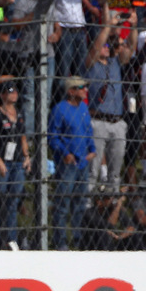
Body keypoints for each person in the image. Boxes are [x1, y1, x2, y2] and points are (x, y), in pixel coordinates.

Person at [85, 10, 132, 203]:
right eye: (104, 45)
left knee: (115, 169)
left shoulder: (115, 63)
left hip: (118, 121)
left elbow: (130, 49)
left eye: (108, 45)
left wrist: (132, 26)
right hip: (99, 121)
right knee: (94, 170)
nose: (106, 47)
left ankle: (113, 205)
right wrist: (108, 26)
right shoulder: (90, 64)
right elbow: (96, 49)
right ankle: (86, 205)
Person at [47, 76, 95, 249]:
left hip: (83, 162)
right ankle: (60, 242)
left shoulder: (84, 108)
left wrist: (92, 149)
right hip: (67, 164)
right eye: (81, 87)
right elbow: (52, 136)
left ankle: (78, 239)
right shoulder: (59, 110)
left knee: (80, 203)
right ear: (71, 91)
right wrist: (65, 153)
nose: (85, 90)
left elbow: (88, 130)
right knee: (62, 204)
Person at [0, 80, 29, 248]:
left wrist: (27, 156)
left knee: (13, 200)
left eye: (15, 90)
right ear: (2, 95)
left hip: (17, 162)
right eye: (10, 91)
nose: (14, 94)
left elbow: (23, 138)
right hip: (2, 161)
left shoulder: (19, 114)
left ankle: (10, 239)